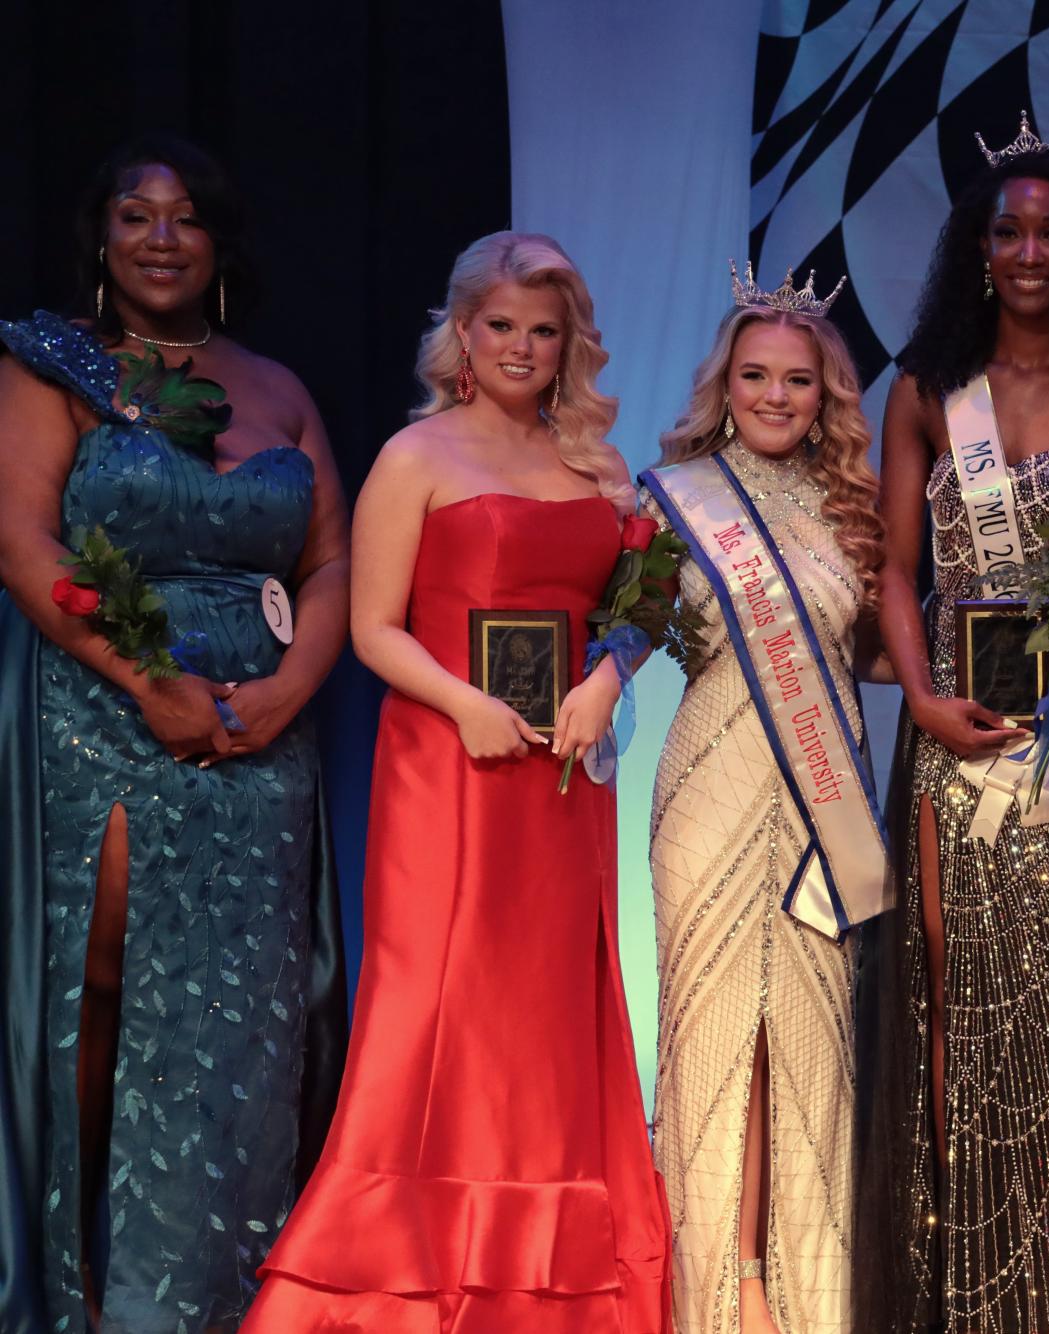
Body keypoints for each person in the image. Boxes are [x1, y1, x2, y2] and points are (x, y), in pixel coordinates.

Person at [243, 232, 669, 1332]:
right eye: (503, 326)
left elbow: (637, 606)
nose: (523, 347)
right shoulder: (415, 454)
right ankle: (392, 1271)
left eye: (544, 328)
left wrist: (609, 678)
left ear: (569, 340)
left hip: (562, 776)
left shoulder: (601, 470)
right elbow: (375, 629)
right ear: (463, 334)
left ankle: (544, 1278)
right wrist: (466, 704)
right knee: (439, 1010)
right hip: (449, 765)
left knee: (542, 1023)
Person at [0, 134, 349, 1332]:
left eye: (186, 216)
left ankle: (221, 1301)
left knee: (246, 1023)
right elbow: (26, 548)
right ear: (101, 234)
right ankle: (89, 1289)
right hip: (108, 712)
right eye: (136, 213)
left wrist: (292, 688)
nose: (161, 235)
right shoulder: (48, 367)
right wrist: (147, 680)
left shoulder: (282, 387)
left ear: (219, 243)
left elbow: (334, 560)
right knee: (102, 988)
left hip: (262, 743)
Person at [853, 115, 1049, 1334]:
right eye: (1009, 230)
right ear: (975, 248)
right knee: (948, 995)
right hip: (955, 724)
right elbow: (895, 564)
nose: (1030, 250)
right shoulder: (930, 388)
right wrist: (923, 693)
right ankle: (948, 1289)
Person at [644, 266, 888, 1334]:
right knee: (711, 1033)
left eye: (799, 380)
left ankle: (803, 1293)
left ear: (825, 394)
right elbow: (622, 626)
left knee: (809, 1041)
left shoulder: (857, 511)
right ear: (725, 383)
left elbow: (883, 654)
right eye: (756, 375)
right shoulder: (672, 498)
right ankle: (721, 1288)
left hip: (823, 793)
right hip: (710, 782)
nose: (776, 396)